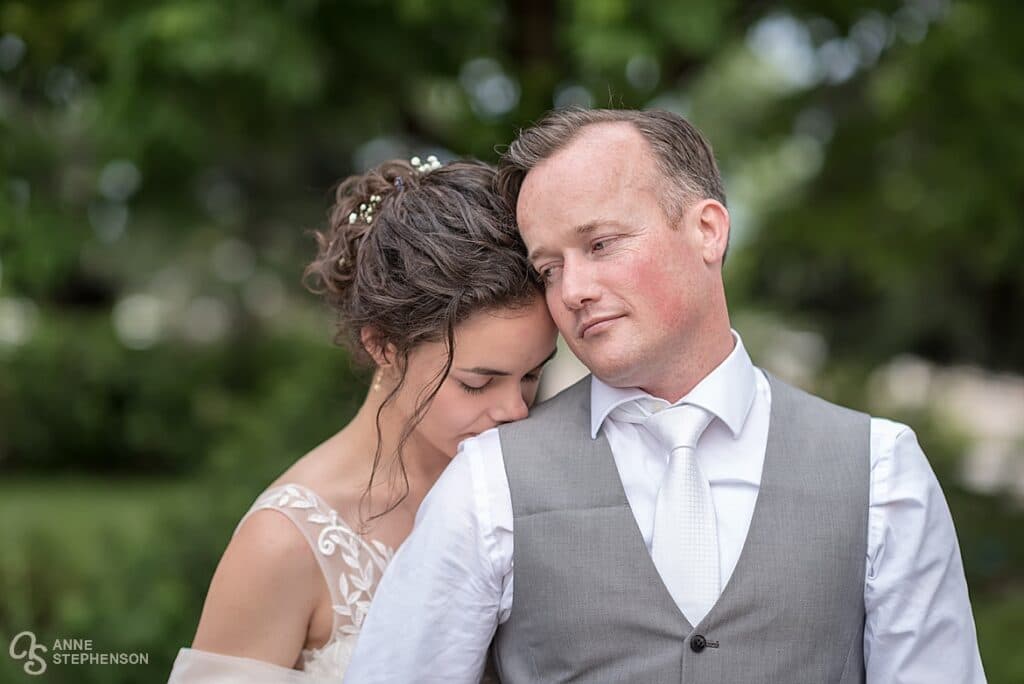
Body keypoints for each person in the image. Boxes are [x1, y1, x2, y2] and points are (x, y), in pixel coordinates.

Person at [344, 109, 987, 683]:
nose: (573, 291)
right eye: (550, 268)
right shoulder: (488, 483)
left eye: (600, 245)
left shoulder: (880, 469)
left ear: (707, 231)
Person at [167, 158, 558, 683]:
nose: (515, 411)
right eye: (477, 383)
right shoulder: (284, 544)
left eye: (532, 376)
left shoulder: (530, 481)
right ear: (384, 346)